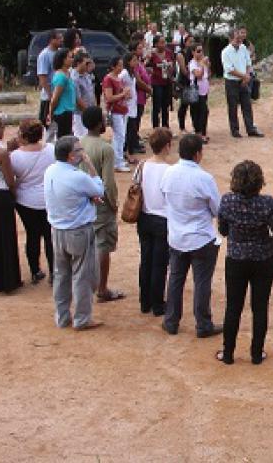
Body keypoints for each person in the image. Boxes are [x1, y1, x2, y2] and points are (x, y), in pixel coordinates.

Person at [215, 161, 273, 365]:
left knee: (233, 307)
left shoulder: (227, 201)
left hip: (236, 259)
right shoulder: (266, 202)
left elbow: (223, 230)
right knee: (260, 307)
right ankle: (256, 353)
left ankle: (228, 353)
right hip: (263, 258)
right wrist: (271, 242)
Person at [161, 134, 222, 337]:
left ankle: (171, 321)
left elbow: (164, 198)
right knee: (202, 282)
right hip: (200, 238)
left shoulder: (168, 173)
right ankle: (203, 324)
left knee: (175, 279)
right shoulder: (204, 178)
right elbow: (217, 209)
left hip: (177, 236)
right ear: (197, 154)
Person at [44, 135, 106, 330]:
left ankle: (62, 317)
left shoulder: (50, 170)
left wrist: (88, 198)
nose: (82, 153)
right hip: (78, 230)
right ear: (71, 156)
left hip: (57, 230)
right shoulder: (78, 176)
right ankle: (82, 318)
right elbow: (99, 189)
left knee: (61, 275)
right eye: (79, 150)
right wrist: (90, 165)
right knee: (82, 276)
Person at [80, 106, 124, 302]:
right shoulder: (106, 148)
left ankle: (87, 285)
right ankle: (102, 288)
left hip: (83, 202)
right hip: (101, 203)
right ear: (99, 124)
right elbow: (108, 182)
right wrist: (113, 203)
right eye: (104, 119)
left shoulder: (79, 143)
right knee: (103, 245)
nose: (106, 121)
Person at [10, 119, 56, 284]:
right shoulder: (51, 149)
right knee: (50, 237)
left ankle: (35, 271)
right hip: (48, 198)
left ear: (23, 135)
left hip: (25, 201)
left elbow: (11, 177)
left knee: (32, 235)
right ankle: (54, 272)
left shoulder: (15, 156)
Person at [137, 128, 173, 316]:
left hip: (144, 216)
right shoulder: (168, 170)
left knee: (146, 260)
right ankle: (157, 304)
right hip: (162, 219)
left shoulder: (142, 165)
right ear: (167, 146)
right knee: (159, 264)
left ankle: (145, 302)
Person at [0, 111, 22, 293]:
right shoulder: (1, 153)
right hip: (0, 195)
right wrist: (15, 195)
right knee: (6, 237)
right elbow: (10, 181)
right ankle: (8, 280)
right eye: (2, 126)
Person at [222, 28, 264, 138]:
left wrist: (247, 75)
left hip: (244, 80)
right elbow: (229, 69)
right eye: (237, 38)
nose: (239, 40)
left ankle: (250, 129)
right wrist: (244, 76)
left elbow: (248, 63)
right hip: (231, 82)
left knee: (247, 105)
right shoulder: (226, 52)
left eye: (240, 38)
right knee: (233, 106)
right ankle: (235, 130)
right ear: (231, 38)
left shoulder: (243, 48)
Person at [101, 56, 132, 173]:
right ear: (113, 66)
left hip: (122, 109)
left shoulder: (118, 78)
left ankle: (118, 159)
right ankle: (117, 162)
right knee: (119, 136)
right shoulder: (108, 79)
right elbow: (109, 97)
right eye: (119, 65)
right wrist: (123, 94)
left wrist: (126, 95)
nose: (121, 67)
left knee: (120, 136)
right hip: (115, 110)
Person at [128, 40, 152, 154]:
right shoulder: (133, 65)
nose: (142, 50)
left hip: (142, 96)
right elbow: (138, 81)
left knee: (137, 121)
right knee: (134, 122)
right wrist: (149, 89)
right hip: (137, 96)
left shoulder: (139, 62)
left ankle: (134, 141)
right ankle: (133, 144)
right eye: (139, 48)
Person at [49, 48, 77, 138]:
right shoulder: (61, 77)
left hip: (68, 111)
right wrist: (50, 114)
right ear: (63, 60)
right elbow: (55, 99)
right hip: (62, 113)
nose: (72, 59)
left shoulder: (67, 73)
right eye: (70, 57)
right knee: (63, 139)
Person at [37, 30, 62, 125]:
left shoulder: (60, 53)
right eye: (59, 38)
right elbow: (42, 77)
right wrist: (50, 95)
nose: (61, 40)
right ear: (52, 40)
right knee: (49, 124)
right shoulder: (44, 55)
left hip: (60, 95)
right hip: (49, 97)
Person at [188, 42, 211, 142]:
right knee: (199, 111)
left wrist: (207, 66)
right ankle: (199, 132)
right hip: (195, 90)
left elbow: (208, 74)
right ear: (193, 52)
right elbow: (198, 75)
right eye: (198, 51)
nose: (201, 53)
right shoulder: (192, 63)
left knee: (203, 111)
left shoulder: (202, 62)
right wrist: (202, 65)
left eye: (202, 51)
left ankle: (202, 132)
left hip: (203, 90)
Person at [70, 51, 96, 138]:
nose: (88, 65)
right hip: (79, 114)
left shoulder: (86, 75)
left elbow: (91, 93)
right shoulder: (74, 78)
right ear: (78, 63)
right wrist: (90, 112)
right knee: (80, 137)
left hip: (88, 111)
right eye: (86, 63)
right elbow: (77, 99)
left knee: (89, 137)